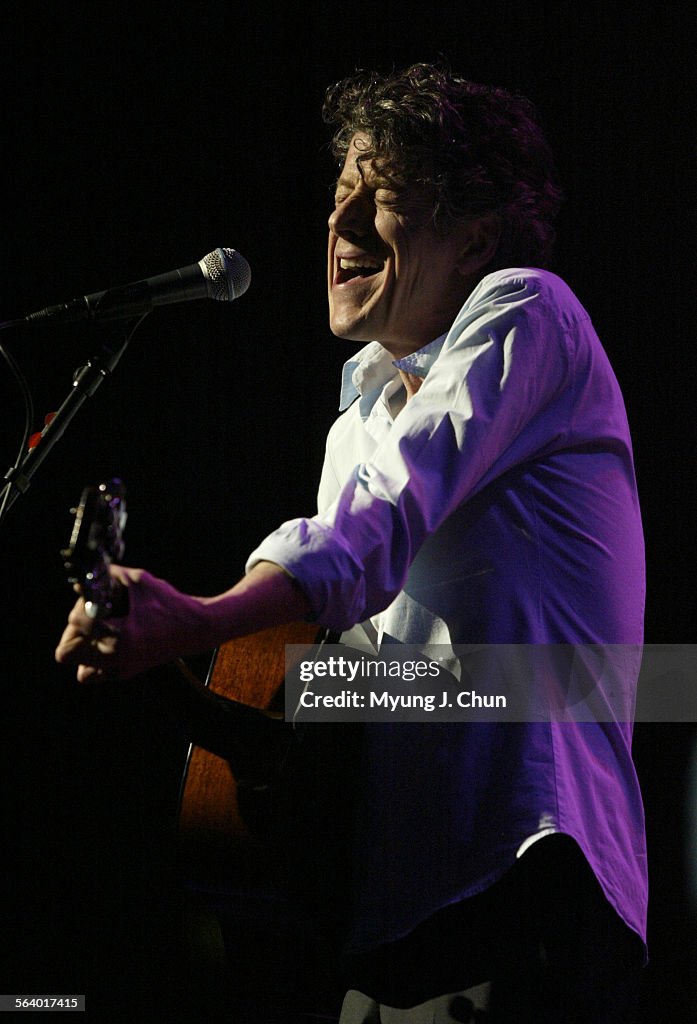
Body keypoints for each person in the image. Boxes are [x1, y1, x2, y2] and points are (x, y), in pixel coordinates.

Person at [56, 63, 648, 1022]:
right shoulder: (356, 424)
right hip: (384, 934)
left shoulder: (530, 313)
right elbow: (386, 688)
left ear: (476, 239)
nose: (338, 229)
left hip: (523, 876)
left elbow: (377, 522)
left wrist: (204, 616)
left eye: (381, 200)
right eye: (336, 202)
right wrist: (180, 673)